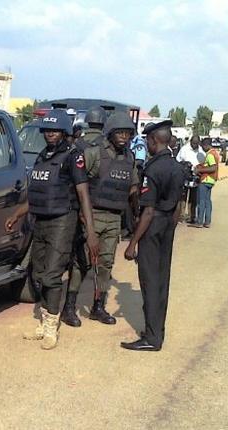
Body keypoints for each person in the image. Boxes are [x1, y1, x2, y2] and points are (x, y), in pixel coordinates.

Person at [5, 110, 98, 350]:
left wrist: (92, 232)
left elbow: (83, 193)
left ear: (65, 132)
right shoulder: (42, 157)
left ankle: (50, 327)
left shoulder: (72, 157)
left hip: (62, 221)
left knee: (52, 275)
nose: (50, 135)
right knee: (37, 274)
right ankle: (45, 317)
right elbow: (38, 194)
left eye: (55, 130)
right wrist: (17, 214)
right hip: (41, 221)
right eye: (47, 131)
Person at [69, 112, 140, 327]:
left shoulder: (129, 158)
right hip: (91, 215)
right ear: (109, 132)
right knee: (81, 263)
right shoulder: (94, 154)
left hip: (114, 218)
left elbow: (133, 188)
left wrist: (136, 217)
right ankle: (69, 307)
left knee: (106, 264)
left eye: (127, 133)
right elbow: (78, 184)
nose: (124, 137)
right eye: (120, 132)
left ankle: (97, 307)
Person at [122, 120, 184, 351]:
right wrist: (170, 229)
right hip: (167, 226)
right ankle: (157, 332)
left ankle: (151, 338)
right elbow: (178, 206)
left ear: (154, 140)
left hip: (153, 225)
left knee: (149, 283)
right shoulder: (176, 167)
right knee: (161, 282)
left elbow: (147, 211)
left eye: (148, 140)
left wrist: (132, 244)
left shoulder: (153, 169)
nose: (146, 144)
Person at [63, 107, 108, 327]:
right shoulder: (106, 148)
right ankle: (98, 307)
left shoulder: (77, 145)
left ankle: (69, 308)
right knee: (103, 263)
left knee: (80, 262)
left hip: (79, 210)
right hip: (101, 210)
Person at [175, 135, 205, 223]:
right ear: (191, 141)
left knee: (193, 198)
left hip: (196, 177)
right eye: (193, 143)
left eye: (196, 143)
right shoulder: (184, 149)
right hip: (185, 176)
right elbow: (178, 161)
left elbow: (203, 161)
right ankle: (181, 216)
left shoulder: (201, 150)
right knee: (183, 197)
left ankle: (192, 216)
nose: (195, 145)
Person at [192, 138, 220, 228]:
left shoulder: (210, 155)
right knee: (208, 201)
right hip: (211, 181)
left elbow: (213, 168)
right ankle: (207, 221)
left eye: (202, 146)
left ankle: (200, 221)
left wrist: (199, 170)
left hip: (205, 180)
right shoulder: (215, 153)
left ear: (206, 145)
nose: (202, 149)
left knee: (201, 201)